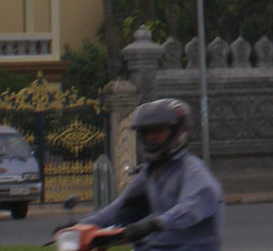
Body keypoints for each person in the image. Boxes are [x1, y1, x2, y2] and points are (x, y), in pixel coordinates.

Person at [79, 98, 224, 250]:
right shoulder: (150, 172)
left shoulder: (192, 169)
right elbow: (119, 207)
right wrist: (81, 226)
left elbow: (193, 206)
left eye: (158, 131)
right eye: (146, 132)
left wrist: (155, 224)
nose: (151, 137)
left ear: (177, 131)